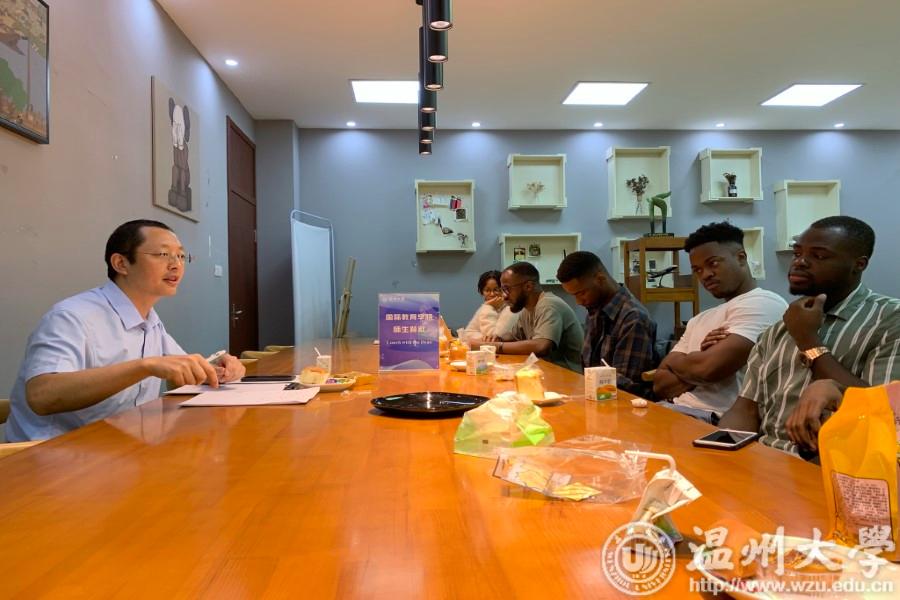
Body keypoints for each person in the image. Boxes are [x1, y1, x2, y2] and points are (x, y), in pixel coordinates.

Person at [6, 219, 245, 441]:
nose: (176, 265)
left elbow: (177, 379)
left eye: (181, 256)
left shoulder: (151, 320)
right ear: (121, 263)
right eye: (163, 254)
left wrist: (217, 370)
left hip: (120, 446)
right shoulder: (72, 316)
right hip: (54, 455)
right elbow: (42, 396)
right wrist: (144, 366)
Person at [717, 216, 900, 456]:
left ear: (859, 264)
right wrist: (720, 453)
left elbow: (886, 414)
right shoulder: (777, 330)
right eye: (797, 253)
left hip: (836, 466)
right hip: (767, 460)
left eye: (819, 256)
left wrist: (807, 339)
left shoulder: (889, 319)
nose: (800, 262)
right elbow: (745, 409)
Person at [654, 222, 787, 423]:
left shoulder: (764, 303)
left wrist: (685, 362)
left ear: (741, 258)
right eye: (697, 270)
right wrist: (700, 359)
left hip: (716, 420)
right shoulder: (699, 319)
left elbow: (709, 369)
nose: (705, 275)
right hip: (673, 410)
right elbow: (660, 384)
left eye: (713, 263)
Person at [556, 251, 657, 396]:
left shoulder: (633, 318)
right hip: (596, 397)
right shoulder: (594, 310)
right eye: (574, 295)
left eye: (581, 293)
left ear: (600, 278)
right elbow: (588, 370)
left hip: (623, 403)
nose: (578, 302)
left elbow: (625, 388)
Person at [478, 262, 584, 373]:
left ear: (528, 286)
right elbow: (513, 337)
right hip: (547, 374)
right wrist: (497, 339)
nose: (504, 296)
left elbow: (541, 346)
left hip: (567, 378)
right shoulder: (527, 310)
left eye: (507, 289)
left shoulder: (549, 305)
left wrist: (496, 346)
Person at [463, 270, 518, 342]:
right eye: (487, 290)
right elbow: (468, 333)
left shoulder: (511, 309)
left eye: (496, 290)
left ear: (504, 290)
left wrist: (488, 307)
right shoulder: (486, 307)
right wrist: (484, 338)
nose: (492, 294)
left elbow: (494, 338)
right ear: (482, 292)